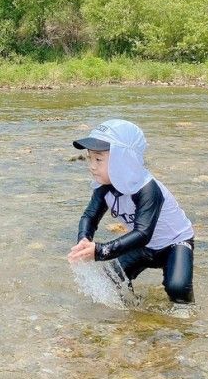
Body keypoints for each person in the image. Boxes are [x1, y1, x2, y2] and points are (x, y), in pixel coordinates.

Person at [67, 119, 194, 304]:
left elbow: (143, 233)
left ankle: (187, 320)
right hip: (144, 248)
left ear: (123, 160)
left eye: (99, 159)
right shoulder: (104, 187)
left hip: (174, 244)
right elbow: (90, 216)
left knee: (178, 290)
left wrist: (101, 251)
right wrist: (84, 240)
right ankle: (131, 315)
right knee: (110, 279)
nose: (92, 166)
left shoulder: (148, 190)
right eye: (90, 158)